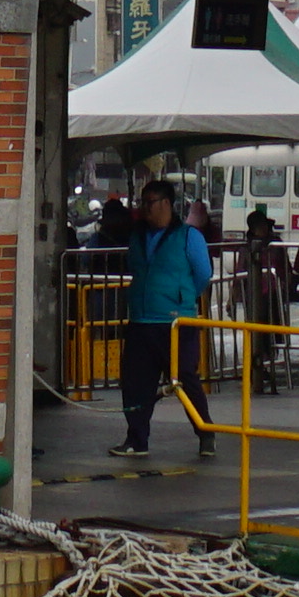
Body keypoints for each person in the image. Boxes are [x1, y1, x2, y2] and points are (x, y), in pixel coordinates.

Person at [118, 175, 217, 459]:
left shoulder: (189, 236)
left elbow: (203, 274)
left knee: (185, 378)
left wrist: (181, 297)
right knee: (136, 382)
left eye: (150, 203)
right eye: (143, 203)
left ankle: (205, 432)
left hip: (176, 323)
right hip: (141, 320)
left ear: (166, 204)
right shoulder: (137, 236)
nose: (145, 209)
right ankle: (136, 439)